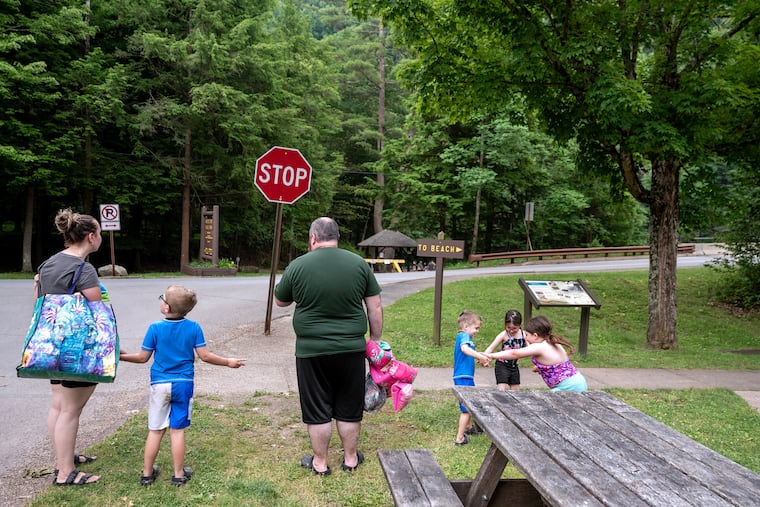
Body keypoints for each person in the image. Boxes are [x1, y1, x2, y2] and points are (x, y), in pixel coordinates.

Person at [274, 217, 383, 476]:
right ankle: (351, 459)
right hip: (351, 349)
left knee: (316, 406)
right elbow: (375, 305)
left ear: (313, 238)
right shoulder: (358, 264)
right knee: (348, 405)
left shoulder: (298, 265)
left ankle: (320, 462)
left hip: (311, 351)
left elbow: (280, 302)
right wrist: (376, 340)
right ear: (337, 237)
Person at [119, 285, 246, 486]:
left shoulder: (155, 328)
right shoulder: (194, 327)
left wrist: (122, 357)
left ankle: (146, 474)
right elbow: (205, 356)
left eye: (163, 298)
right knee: (177, 430)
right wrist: (228, 361)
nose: (161, 300)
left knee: (155, 430)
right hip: (183, 384)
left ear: (167, 308)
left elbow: (143, 358)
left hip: (160, 384)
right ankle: (178, 475)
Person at [34, 208, 103, 486]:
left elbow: (38, 304)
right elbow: (98, 311)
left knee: (59, 405)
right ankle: (65, 474)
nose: (100, 237)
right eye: (99, 233)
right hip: (77, 349)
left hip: (52, 345)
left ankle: (63, 459)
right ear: (90, 236)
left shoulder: (47, 264)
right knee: (70, 410)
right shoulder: (83, 269)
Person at [486, 315, 587, 392]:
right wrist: (540, 368)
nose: (525, 337)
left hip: (568, 387)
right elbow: (557, 364)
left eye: (526, 334)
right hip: (577, 382)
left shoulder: (539, 346)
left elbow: (514, 353)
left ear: (535, 335)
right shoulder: (552, 342)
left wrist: (491, 355)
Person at [452, 310, 490, 446]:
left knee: (466, 403)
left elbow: (469, 352)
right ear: (466, 326)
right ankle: (459, 438)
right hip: (464, 377)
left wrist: (481, 355)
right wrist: (480, 356)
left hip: (463, 376)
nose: (477, 331)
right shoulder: (464, 337)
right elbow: (465, 350)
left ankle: (468, 427)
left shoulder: (463, 337)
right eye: (476, 328)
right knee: (467, 408)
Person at [484, 309, 526, 391]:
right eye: (508, 327)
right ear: (505, 324)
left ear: (520, 325)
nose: (511, 330)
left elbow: (530, 348)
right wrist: (484, 357)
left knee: (516, 391)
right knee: (501, 389)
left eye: (514, 328)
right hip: (502, 365)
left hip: (514, 366)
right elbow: (491, 348)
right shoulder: (503, 335)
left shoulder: (523, 335)